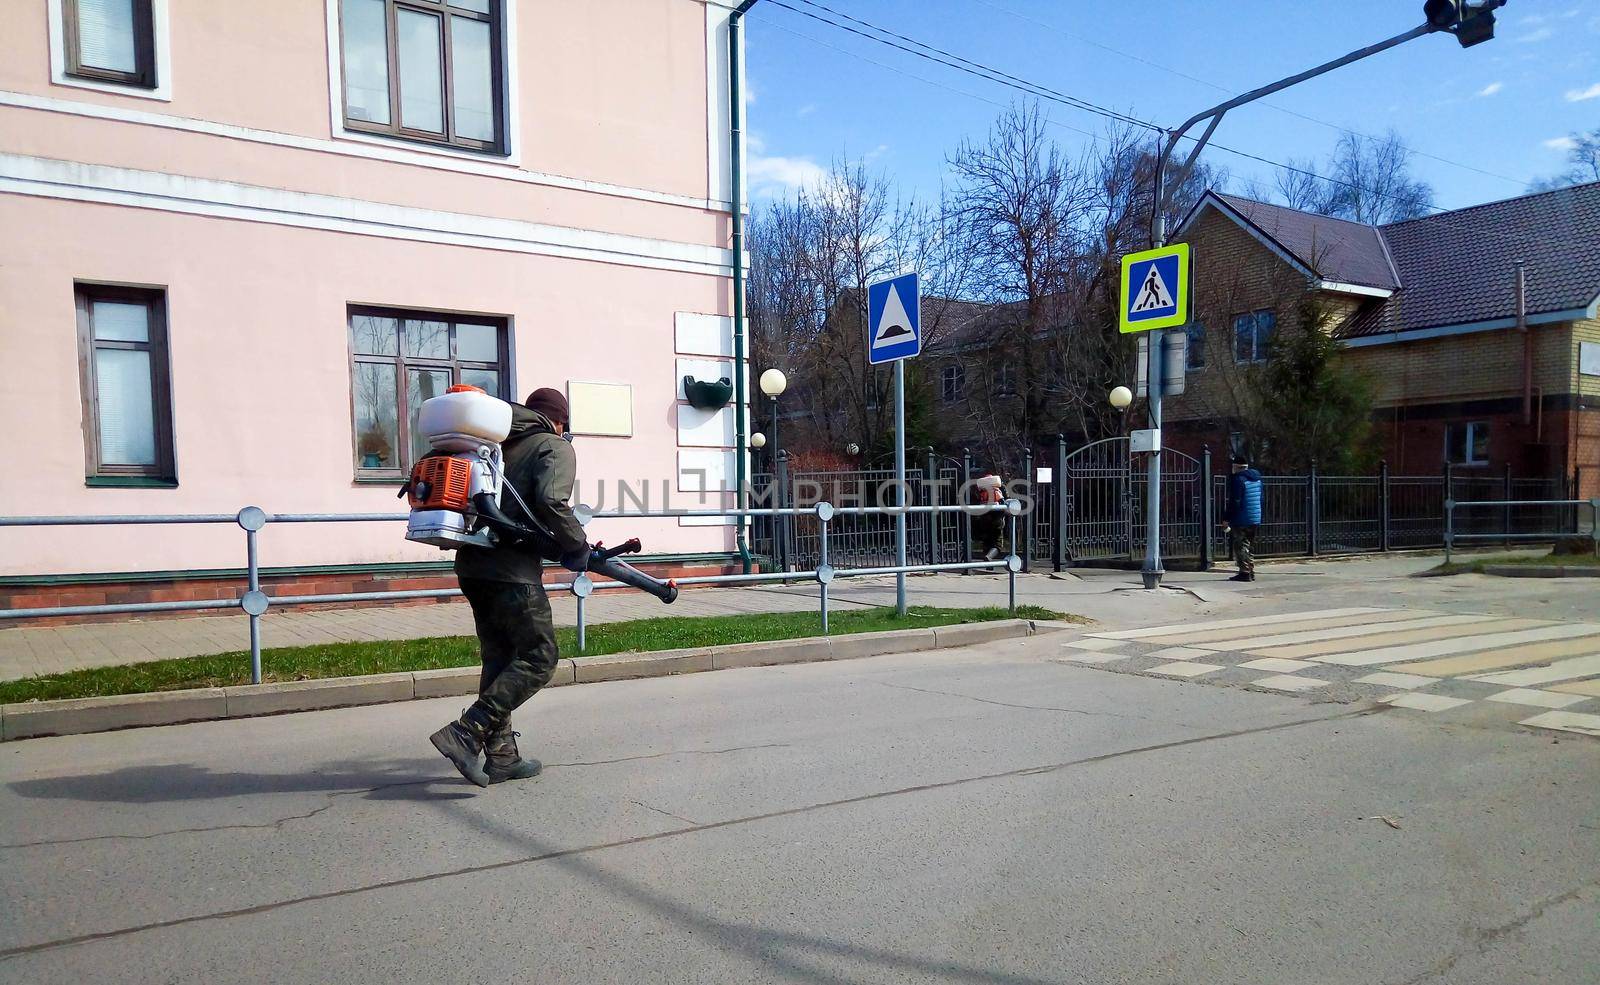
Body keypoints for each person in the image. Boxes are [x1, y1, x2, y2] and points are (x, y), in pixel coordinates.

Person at [429, 387, 589, 787]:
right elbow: (553, 502)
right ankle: (467, 730)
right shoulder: (552, 445)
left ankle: (501, 757)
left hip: (473, 566)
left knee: (500, 659)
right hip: (511, 572)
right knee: (540, 656)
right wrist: (577, 547)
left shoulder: (497, 446)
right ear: (561, 420)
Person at [1222, 453, 1263, 583]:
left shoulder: (1238, 480)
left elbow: (1235, 501)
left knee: (1240, 546)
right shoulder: (1257, 479)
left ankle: (1245, 572)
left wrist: (1226, 518)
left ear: (1236, 467)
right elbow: (1261, 498)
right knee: (1249, 545)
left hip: (1242, 518)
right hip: (1255, 517)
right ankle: (1251, 571)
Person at [972, 471, 1006, 561]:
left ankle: (988, 564)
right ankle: (989, 557)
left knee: (986, 542)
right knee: (998, 544)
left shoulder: (982, 492)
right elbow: (1004, 502)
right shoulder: (997, 491)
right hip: (997, 519)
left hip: (985, 519)